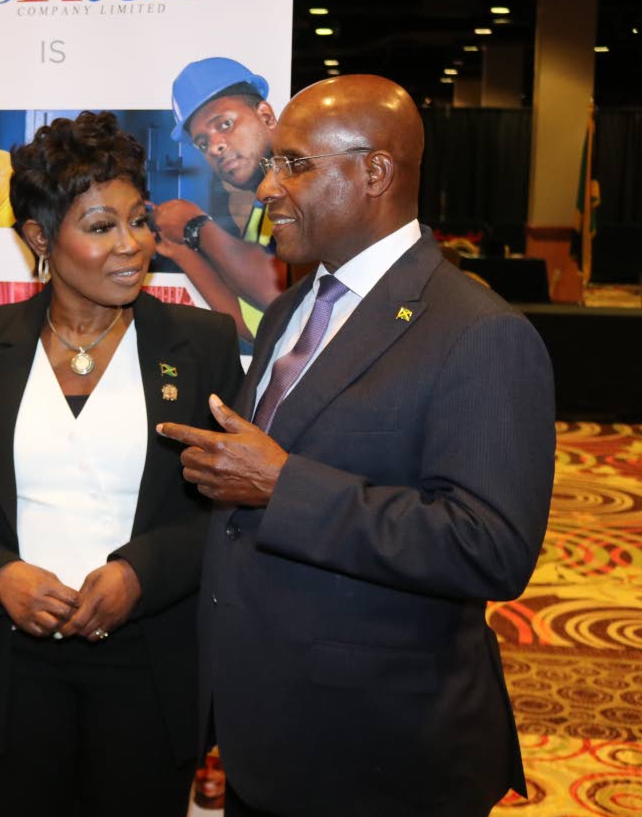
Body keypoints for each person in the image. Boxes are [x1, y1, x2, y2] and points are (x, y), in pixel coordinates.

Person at [159, 74, 555, 817]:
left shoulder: (481, 333)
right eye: (271, 164)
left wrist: (285, 487)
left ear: (375, 172)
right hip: (265, 734)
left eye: (294, 165)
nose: (268, 188)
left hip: (383, 752)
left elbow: (491, 547)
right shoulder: (290, 310)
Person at [0, 111, 243, 817]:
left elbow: (231, 509)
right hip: (10, 666)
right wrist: (0, 576)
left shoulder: (201, 343)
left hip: (152, 663)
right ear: (40, 238)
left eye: (139, 220)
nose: (132, 244)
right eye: (100, 226)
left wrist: (139, 573)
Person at [153, 58, 286, 347]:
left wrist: (195, 226)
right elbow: (257, 324)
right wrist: (180, 250)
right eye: (203, 143)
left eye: (225, 124)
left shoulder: (303, 189)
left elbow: (274, 298)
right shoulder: (261, 207)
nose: (215, 146)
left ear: (266, 116)